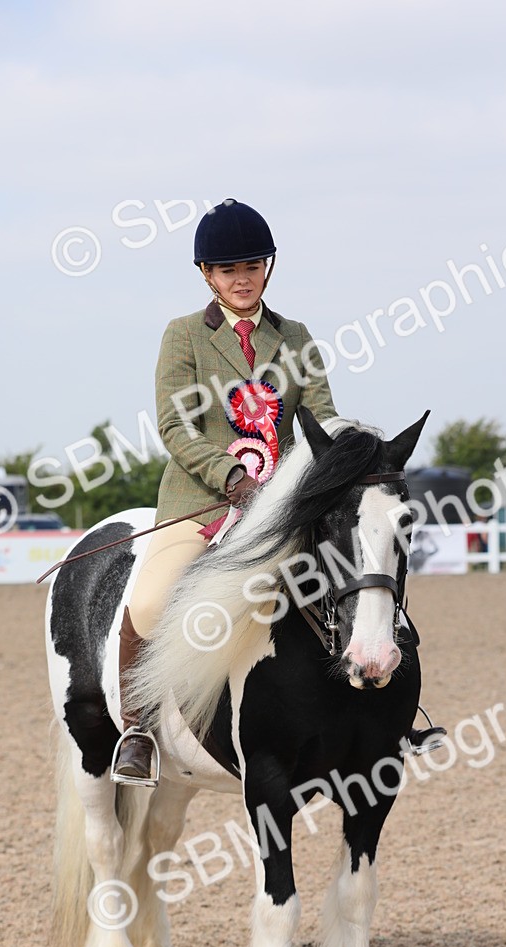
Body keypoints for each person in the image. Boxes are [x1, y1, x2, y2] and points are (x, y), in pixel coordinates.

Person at [113, 199, 337, 781]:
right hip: (202, 502)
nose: (242, 279)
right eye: (228, 270)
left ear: (268, 268)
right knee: (151, 600)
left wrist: (336, 461)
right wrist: (233, 478)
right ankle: (137, 731)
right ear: (208, 276)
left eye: (252, 266)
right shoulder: (185, 335)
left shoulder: (296, 337)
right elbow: (173, 426)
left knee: (354, 577)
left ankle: (375, 707)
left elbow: (321, 420)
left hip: (282, 506)